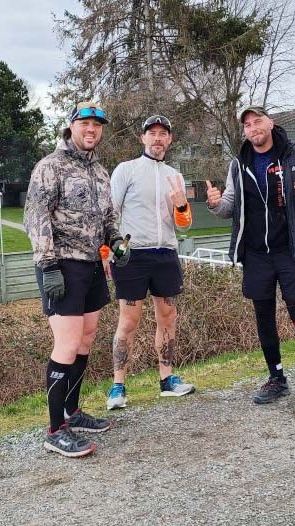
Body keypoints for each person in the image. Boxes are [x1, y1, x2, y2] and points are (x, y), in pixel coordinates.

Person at [206, 106, 295, 418]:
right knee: (264, 320)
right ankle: (277, 379)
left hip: (290, 252)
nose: (252, 128)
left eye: (257, 121)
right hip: (256, 256)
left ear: (270, 123)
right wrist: (215, 204)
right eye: (247, 125)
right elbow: (229, 207)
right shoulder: (239, 164)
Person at [24, 101, 130, 457]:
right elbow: (35, 217)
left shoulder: (100, 171)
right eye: (85, 123)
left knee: (85, 340)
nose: (91, 130)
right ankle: (55, 429)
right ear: (70, 126)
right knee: (66, 345)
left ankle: (73, 411)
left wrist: (115, 240)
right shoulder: (49, 166)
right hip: (61, 266)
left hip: (91, 266)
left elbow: (108, 217)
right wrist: (48, 265)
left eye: (97, 126)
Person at [105, 115, 196, 410]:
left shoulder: (175, 175)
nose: (157, 139)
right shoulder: (126, 170)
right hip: (132, 254)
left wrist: (181, 203)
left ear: (170, 140)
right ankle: (118, 386)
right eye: (152, 133)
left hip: (166, 253)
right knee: (128, 321)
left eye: (163, 134)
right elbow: (110, 214)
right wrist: (107, 252)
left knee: (168, 318)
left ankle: (167, 379)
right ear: (142, 138)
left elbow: (183, 225)